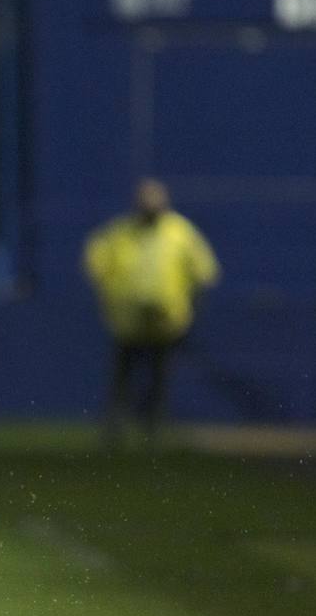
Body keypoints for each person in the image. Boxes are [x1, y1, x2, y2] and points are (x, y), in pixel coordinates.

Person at [84, 177, 218, 445]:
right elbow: (95, 261)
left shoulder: (179, 232)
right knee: (123, 379)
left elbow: (205, 272)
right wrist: (110, 295)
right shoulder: (121, 232)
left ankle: (153, 430)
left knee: (158, 378)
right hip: (128, 320)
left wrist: (190, 307)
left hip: (165, 320)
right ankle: (115, 429)